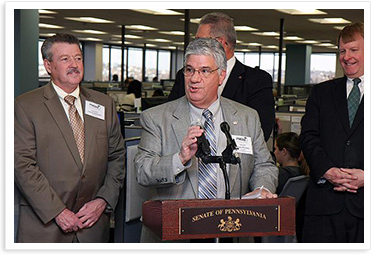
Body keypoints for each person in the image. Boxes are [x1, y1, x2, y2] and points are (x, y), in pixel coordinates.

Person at [135, 38, 278, 243]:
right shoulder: (157, 118)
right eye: (189, 70)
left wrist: (262, 189)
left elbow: (265, 165)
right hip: (177, 236)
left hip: (233, 232)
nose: (194, 78)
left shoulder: (247, 117)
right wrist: (179, 158)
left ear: (221, 76)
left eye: (204, 71)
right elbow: (142, 171)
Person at [14, 33, 125, 243]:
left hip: (92, 226)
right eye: (65, 59)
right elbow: (22, 166)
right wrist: (58, 211)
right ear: (48, 65)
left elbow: (117, 157)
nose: (74, 64)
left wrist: (103, 200)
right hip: (45, 227)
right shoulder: (25, 106)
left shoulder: (104, 104)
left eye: (78, 58)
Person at [299, 22, 364, 243]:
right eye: (342, 51)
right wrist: (326, 170)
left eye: (354, 50)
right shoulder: (321, 93)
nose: (347, 57)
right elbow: (308, 137)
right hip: (324, 207)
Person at [168, 12, 275, 142]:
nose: (195, 46)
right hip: (186, 156)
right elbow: (170, 119)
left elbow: (260, 130)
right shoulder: (185, 75)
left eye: (200, 41)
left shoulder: (256, 80)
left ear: (219, 43)